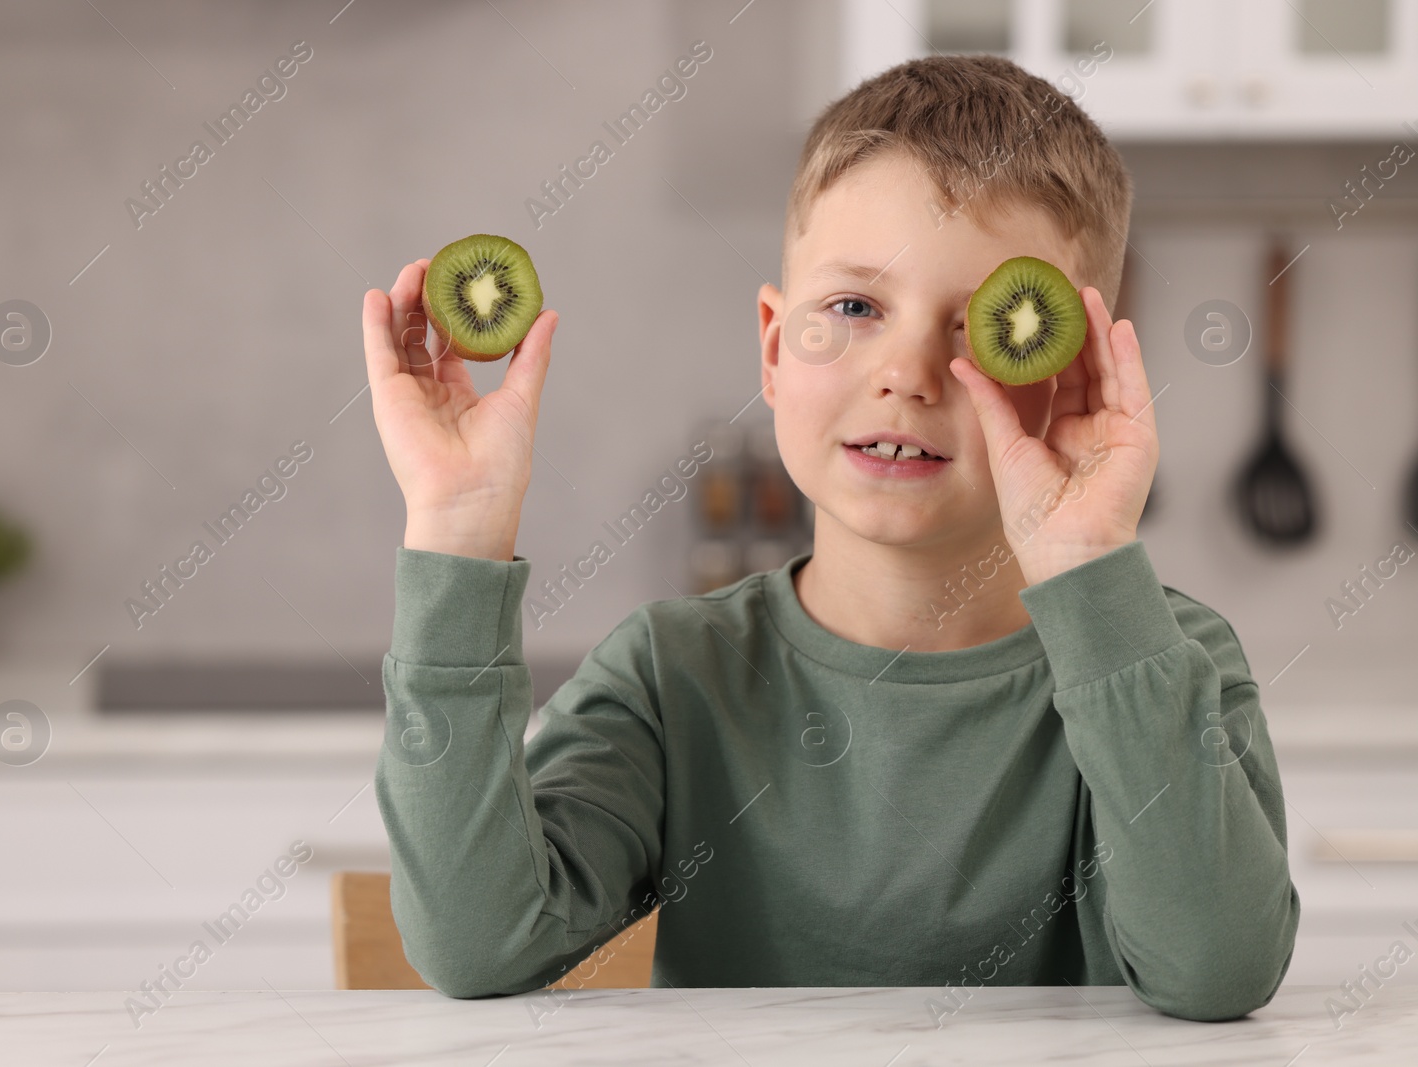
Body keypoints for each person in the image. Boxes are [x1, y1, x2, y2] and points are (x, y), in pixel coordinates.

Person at [360, 53, 1299, 1023]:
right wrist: (458, 527)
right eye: (853, 307)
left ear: (1076, 369)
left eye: (985, 325)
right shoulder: (672, 676)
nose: (907, 373)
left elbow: (1216, 968)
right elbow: (479, 943)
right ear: (774, 348)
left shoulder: (1166, 657)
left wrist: (1090, 570)